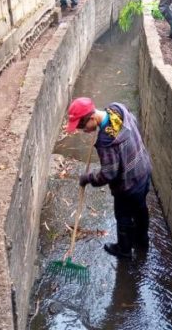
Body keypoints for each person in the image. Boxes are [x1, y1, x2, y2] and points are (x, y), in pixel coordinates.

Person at [65, 97, 153, 259]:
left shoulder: (105, 142)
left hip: (128, 185)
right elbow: (133, 121)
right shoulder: (116, 108)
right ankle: (142, 241)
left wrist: (88, 178)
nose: (83, 130)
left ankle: (124, 249)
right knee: (141, 208)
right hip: (144, 170)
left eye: (83, 126)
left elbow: (108, 174)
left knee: (123, 216)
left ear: (92, 118)